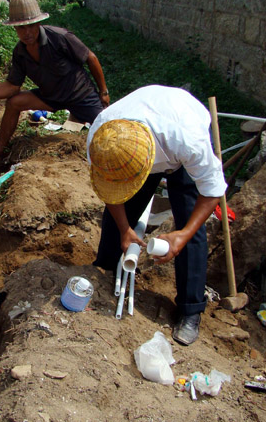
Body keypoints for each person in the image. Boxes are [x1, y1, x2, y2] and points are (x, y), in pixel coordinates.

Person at [86, 85, 227, 345]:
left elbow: (213, 191)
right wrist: (125, 229)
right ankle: (105, 271)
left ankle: (190, 309)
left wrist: (182, 236)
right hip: (140, 134)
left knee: (190, 224)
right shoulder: (101, 139)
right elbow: (110, 191)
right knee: (119, 215)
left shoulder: (188, 141)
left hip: (178, 140)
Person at [0, 0, 110, 160]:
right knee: (14, 103)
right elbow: (12, 87)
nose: (27, 32)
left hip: (80, 95)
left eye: (31, 26)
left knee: (107, 132)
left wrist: (103, 91)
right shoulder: (20, 53)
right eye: (21, 28)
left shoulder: (59, 37)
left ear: (38, 23)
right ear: (14, 28)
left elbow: (91, 58)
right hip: (50, 97)